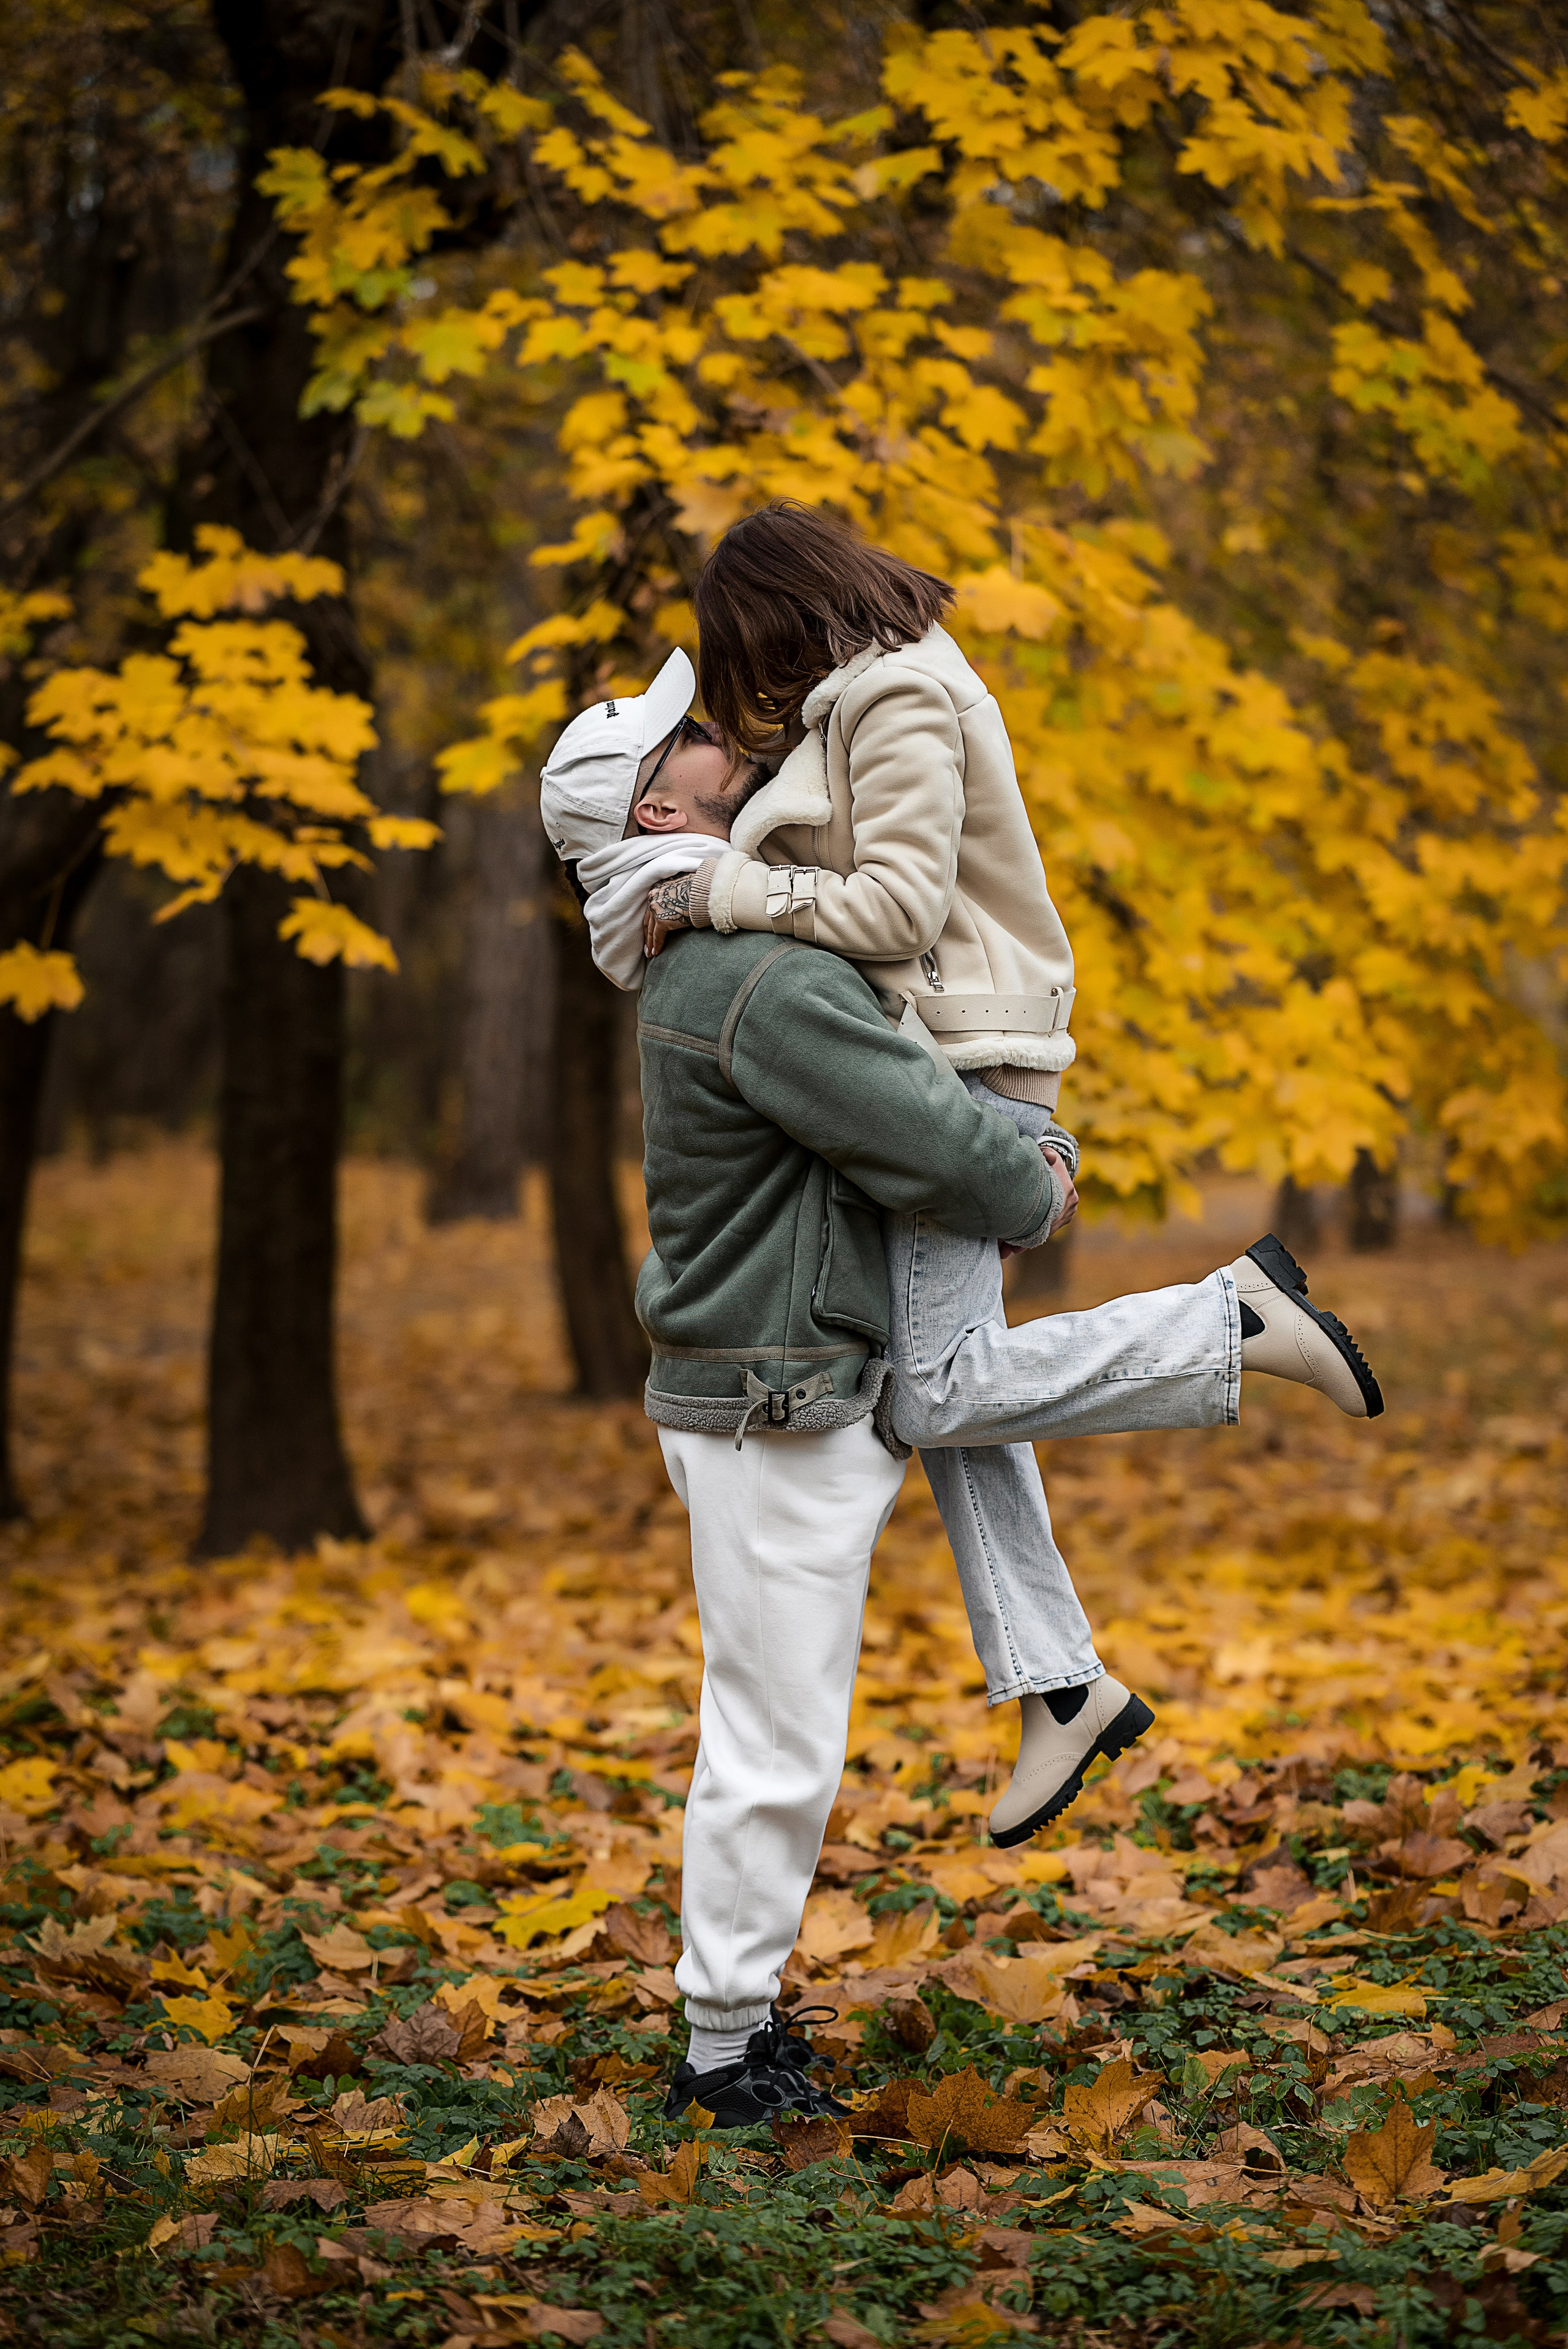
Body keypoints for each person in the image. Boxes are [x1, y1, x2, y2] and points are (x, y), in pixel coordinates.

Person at [537, 659, 1384, 2130]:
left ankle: (1061, 1678)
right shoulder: (753, 974)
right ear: (658, 806)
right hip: (774, 1402)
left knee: (954, 1402)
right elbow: (940, 1147)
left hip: (792, 1371)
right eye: (683, 739)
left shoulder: (715, 951)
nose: (718, 737)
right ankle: (724, 2049)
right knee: (773, 1734)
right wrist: (1029, 1173)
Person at [639, 503, 1382, 1852]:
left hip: (968, 1071)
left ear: (791, 610)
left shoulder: (902, 692)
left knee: (937, 1389)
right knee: (950, 1386)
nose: (759, 687)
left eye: (753, 651)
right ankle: (1058, 1682)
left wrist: (715, 895)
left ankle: (1231, 1322)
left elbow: (895, 912)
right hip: (933, 1060)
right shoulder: (861, 701)